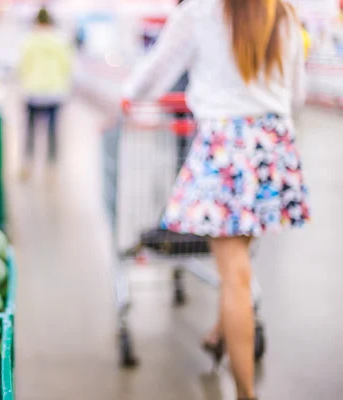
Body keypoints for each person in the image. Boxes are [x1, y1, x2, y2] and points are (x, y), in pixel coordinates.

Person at [122, 0, 309, 399]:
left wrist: (128, 95)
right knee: (239, 266)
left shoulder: (199, 12)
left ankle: (245, 393)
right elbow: (297, 93)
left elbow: (152, 76)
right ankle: (218, 333)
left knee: (235, 277)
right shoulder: (285, 14)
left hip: (225, 148)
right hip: (273, 147)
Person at [19, 7, 73, 179]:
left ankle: (27, 164)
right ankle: (51, 167)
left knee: (30, 129)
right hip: (55, 91)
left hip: (32, 91)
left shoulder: (29, 40)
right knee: (52, 131)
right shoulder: (60, 40)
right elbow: (67, 65)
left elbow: (22, 66)